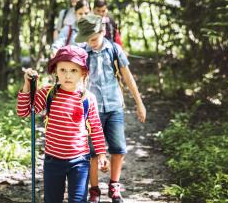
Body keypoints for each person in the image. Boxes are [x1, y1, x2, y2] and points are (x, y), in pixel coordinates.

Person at [17, 45, 109, 203]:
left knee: (78, 200)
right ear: (55, 71)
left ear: (83, 73)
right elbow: (24, 111)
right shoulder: (49, 93)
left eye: (73, 70)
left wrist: (101, 153)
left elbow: (95, 127)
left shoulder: (87, 98)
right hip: (53, 159)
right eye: (63, 70)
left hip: (80, 160)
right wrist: (27, 85)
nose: (67, 75)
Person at [75, 15, 146, 203]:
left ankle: (114, 186)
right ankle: (94, 190)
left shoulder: (114, 50)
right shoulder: (82, 53)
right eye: (87, 37)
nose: (91, 40)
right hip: (91, 110)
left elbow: (127, 77)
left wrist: (139, 102)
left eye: (94, 36)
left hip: (114, 106)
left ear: (103, 31)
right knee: (91, 152)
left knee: (118, 148)